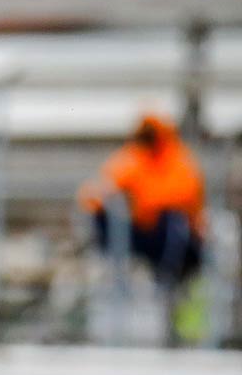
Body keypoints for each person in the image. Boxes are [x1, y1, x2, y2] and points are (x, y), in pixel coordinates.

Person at [79, 114, 205, 288]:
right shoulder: (135, 156)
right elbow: (99, 190)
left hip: (171, 236)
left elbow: (183, 195)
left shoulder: (176, 158)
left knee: (172, 220)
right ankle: (116, 272)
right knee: (104, 217)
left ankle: (167, 275)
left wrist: (146, 203)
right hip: (143, 229)